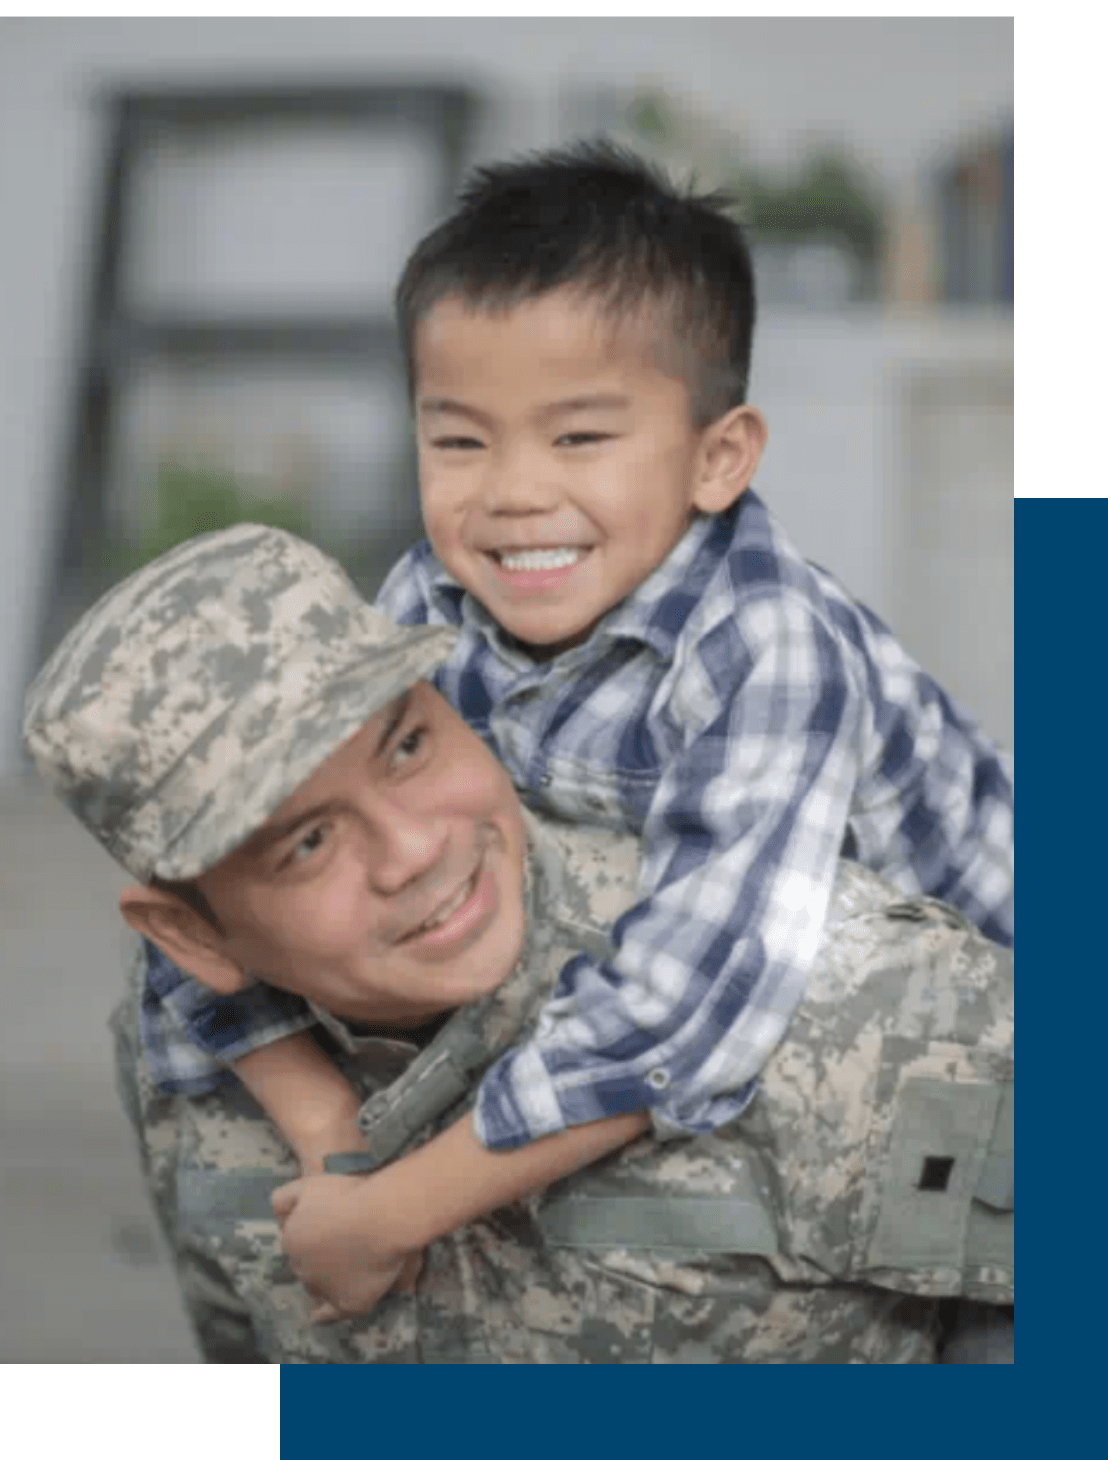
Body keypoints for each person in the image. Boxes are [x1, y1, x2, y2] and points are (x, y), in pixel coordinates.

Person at [135, 142, 1014, 1297]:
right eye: (459, 438)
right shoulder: (427, 599)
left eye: (579, 437)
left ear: (718, 458)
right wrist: (328, 1130)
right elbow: (221, 874)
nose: (510, 491)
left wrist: (392, 1210)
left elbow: (688, 999)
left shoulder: (769, 645)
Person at [24, 526, 1013, 1364]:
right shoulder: (189, 1079)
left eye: (406, 744)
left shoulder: (857, 1000)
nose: (413, 848)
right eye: (307, 841)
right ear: (191, 934)